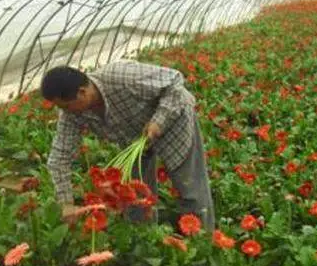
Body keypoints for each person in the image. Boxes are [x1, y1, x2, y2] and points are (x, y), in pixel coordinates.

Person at [41, 59, 215, 232]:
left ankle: (203, 241)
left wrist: (158, 121)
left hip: (173, 120)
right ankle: (144, 238)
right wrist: (66, 203)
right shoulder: (72, 114)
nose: (64, 111)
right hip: (134, 138)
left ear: (82, 92)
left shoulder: (122, 77)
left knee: (189, 186)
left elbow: (175, 82)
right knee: (133, 196)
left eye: (66, 106)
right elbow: (59, 158)